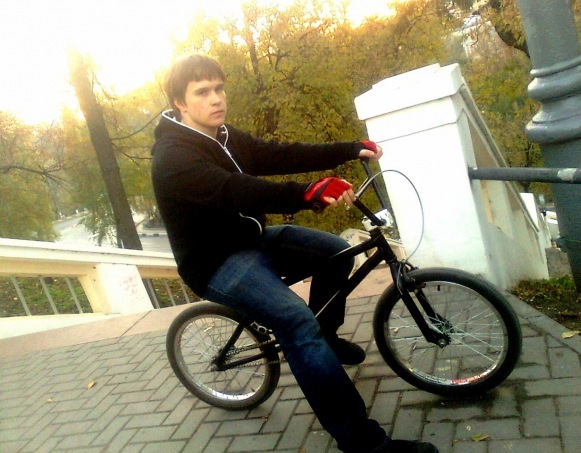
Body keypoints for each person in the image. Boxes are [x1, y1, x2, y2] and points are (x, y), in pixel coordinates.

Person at [151, 53, 438, 453]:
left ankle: (326, 338)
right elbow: (237, 190)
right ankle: (364, 444)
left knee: (337, 252)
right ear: (180, 102)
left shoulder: (224, 135)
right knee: (297, 324)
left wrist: (350, 149)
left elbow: (282, 154)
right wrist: (306, 194)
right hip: (216, 262)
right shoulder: (173, 157)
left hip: (251, 238)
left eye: (219, 88)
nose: (216, 98)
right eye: (202, 92)